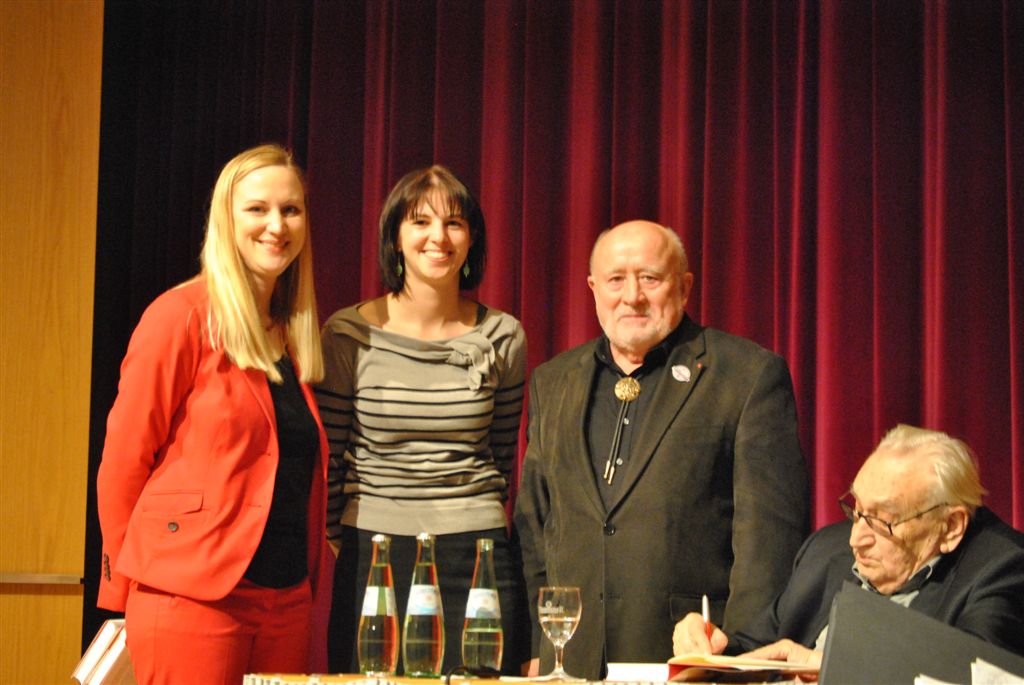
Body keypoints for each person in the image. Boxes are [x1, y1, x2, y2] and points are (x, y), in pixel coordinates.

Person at [514, 220, 809, 679]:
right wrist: (539, 644)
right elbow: (535, 527)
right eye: (615, 279)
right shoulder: (554, 381)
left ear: (684, 286)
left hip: (690, 662)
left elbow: (768, 542)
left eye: (650, 278)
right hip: (569, 661)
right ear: (593, 289)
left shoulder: (746, 376)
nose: (632, 296)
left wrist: (736, 658)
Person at [96, 144, 328, 684]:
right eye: (257, 209)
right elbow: (123, 462)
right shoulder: (179, 315)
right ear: (226, 218)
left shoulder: (291, 334)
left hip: (286, 603)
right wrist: (125, 588)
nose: (277, 225)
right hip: (191, 598)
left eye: (291, 210)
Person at [316, 165, 529, 674]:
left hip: (475, 551)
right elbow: (330, 459)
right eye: (420, 222)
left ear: (471, 239)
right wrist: (347, 540)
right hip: (373, 549)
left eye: (454, 223)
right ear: (395, 237)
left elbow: (502, 456)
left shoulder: (504, 336)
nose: (439, 237)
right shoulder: (346, 334)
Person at [672, 424, 1024, 666]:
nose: (856, 539)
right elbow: (757, 649)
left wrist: (831, 669)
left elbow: (970, 675)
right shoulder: (825, 550)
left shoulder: (1001, 569)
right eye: (857, 511)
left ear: (950, 527)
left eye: (884, 521)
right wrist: (712, 648)